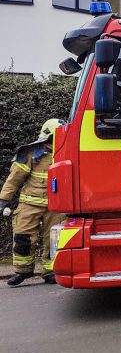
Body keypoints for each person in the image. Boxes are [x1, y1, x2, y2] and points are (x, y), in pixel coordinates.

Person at [1, 119, 66, 286]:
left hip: (56, 206)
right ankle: (22, 272)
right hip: (30, 204)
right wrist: (3, 199)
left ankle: (51, 271)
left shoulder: (66, 151)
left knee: (53, 240)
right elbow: (14, 179)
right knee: (23, 237)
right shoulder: (31, 152)